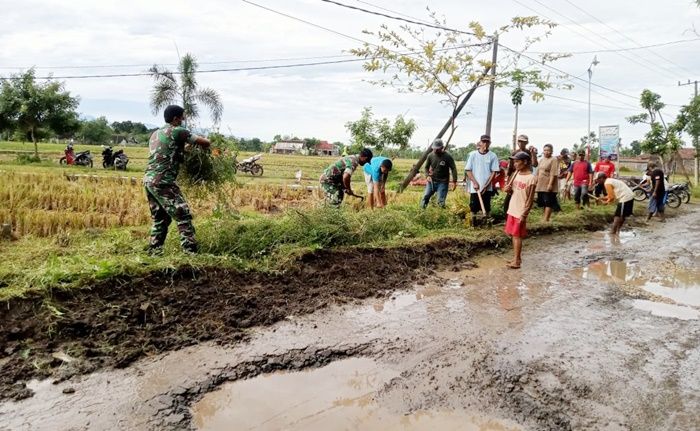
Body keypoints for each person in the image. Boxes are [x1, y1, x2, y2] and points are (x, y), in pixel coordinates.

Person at [144, 105, 211, 254]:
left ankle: (154, 251)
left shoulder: (155, 134)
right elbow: (205, 143)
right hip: (163, 180)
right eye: (182, 117)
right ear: (175, 119)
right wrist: (210, 142)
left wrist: (185, 149)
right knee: (182, 213)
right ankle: (190, 251)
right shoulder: (178, 131)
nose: (184, 120)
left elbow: (170, 151)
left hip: (149, 180)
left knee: (160, 218)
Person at [503, 152, 537, 269]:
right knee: (513, 234)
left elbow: (530, 199)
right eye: (514, 161)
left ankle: (517, 261)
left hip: (520, 210)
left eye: (517, 161)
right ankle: (516, 257)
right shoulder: (515, 174)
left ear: (525, 162)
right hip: (512, 208)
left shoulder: (531, 178)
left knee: (517, 236)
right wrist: (507, 189)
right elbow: (512, 191)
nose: (515, 164)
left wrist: (524, 214)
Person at [464, 134, 500, 224]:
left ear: (490, 143)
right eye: (484, 141)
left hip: (487, 187)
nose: (485, 144)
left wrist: (486, 186)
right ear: (480, 142)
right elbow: (468, 170)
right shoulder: (473, 155)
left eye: (487, 142)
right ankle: (473, 223)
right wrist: (475, 183)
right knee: (474, 206)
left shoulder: (493, 156)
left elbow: (494, 172)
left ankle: (487, 223)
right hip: (475, 187)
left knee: (487, 206)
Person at [420, 139, 457, 208]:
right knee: (425, 197)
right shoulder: (430, 156)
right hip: (431, 181)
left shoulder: (448, 156)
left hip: (443, 182)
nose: (435, 150)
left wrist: (454, 181)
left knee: (440, 201)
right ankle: (421, 212)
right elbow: (426, 167)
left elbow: (453, 168)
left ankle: (441, 215)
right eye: (434, 148)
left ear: (442, 148)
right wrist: (427, 176)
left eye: (437, 149)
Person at [535, 144, 560, 222]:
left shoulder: (554, 159)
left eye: (548, 150)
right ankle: (545, 218)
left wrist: (550, 184)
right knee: (543, 202)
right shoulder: (541, 160)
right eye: (545, 150)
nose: (546, 152)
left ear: (551, 151)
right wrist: (535, 181)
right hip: (540, 184)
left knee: (548, 202)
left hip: (548, 184)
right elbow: (538, 171)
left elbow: (553, 173)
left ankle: (546, 220)